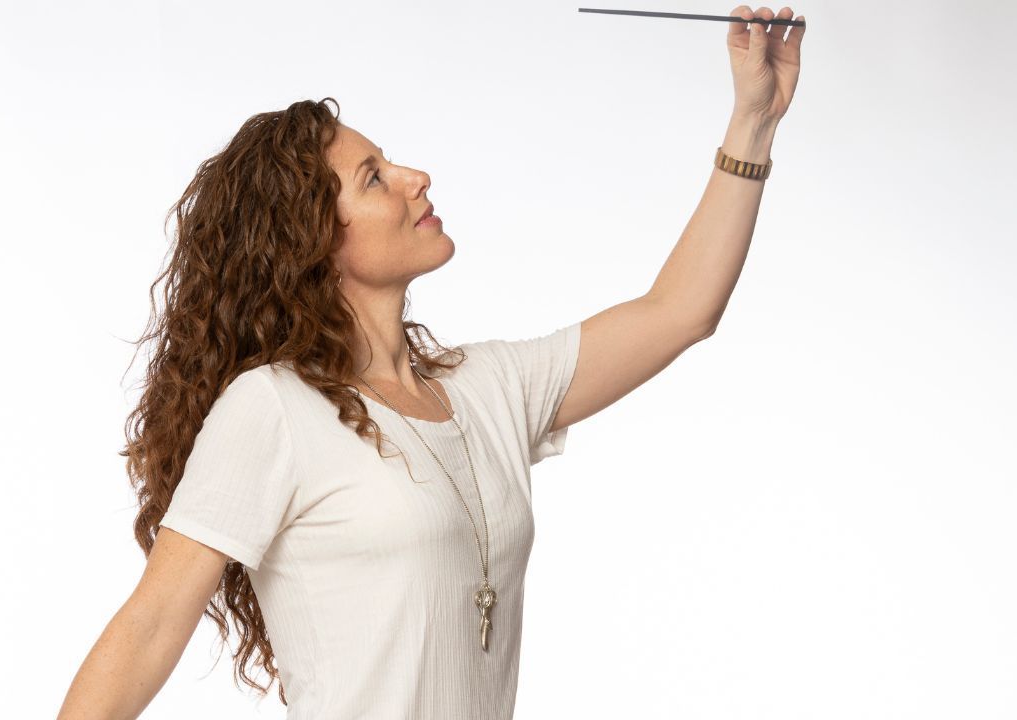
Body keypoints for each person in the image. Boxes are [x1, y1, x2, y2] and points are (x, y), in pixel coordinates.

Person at [57, 6, 805, 718]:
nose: (416, 177)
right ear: (315, 239)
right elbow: (150, 627)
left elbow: (681, 310)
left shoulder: (488, 388)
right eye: (374, 176)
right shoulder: (273, 408)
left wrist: (755, 120)